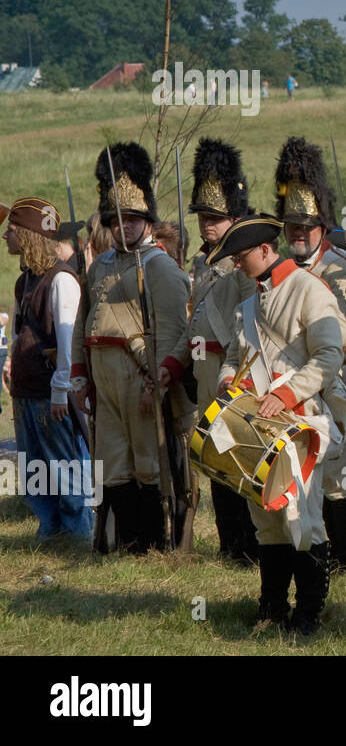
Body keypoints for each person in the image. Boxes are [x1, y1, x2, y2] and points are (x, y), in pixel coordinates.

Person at [213, 214, 346, 635]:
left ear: (264, 250)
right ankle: (272, 606)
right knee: (267, 518)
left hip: (301, 421)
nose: (237, 265)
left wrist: (286, 395)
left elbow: (328, 357)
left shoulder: (310, 291)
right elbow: (235, 357)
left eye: (241, 257)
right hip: (259, 427)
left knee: (303, 517)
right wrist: (225, 381)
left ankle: (308, 611)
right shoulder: (246, 306)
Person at [70, 143, 193, 554]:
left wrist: (156, 380)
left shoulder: (161, 267)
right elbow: (83, 326)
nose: (124, 227)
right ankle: (125, 543)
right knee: (114, 465)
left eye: (133, 219)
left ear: (146, 221)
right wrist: (79, 376)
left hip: (140, 378)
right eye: (117, 220)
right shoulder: (100, 266)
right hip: (103, 382)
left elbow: (175, 331)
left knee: (149, 464)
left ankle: (154, 543)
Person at [157, 138, 258, 563]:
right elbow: (194, 322)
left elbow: (253, 326)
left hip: (232, 372)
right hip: (202, 373)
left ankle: (250, 548)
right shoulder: (200, 263)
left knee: (240, 463)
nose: (206, 225)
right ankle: (229, 545)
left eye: (215, 218)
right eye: (202, 217)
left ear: (234, 217)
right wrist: (171, 363)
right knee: (215, 460)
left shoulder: (242, 263)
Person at [272, 137, 346, 573]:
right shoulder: (282, 273)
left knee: (340, 479)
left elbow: (341, 332)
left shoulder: (340, 268)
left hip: (333, 383)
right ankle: (310, 554)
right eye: (291, 227)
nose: (297, 234)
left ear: (322, 227)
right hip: (291, 386)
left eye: (305, 227)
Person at [4, 197, 92, 540]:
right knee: (35, 467)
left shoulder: (61, 281)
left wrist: (60, 392)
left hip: (49, 392)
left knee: (65, 465)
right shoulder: (24, 280)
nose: (6, 236)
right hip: (27, 389)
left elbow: (69, 341)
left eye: (12, 230)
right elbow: (19, 332)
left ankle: (79, 531)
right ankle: (51, 527)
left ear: (27, 235)